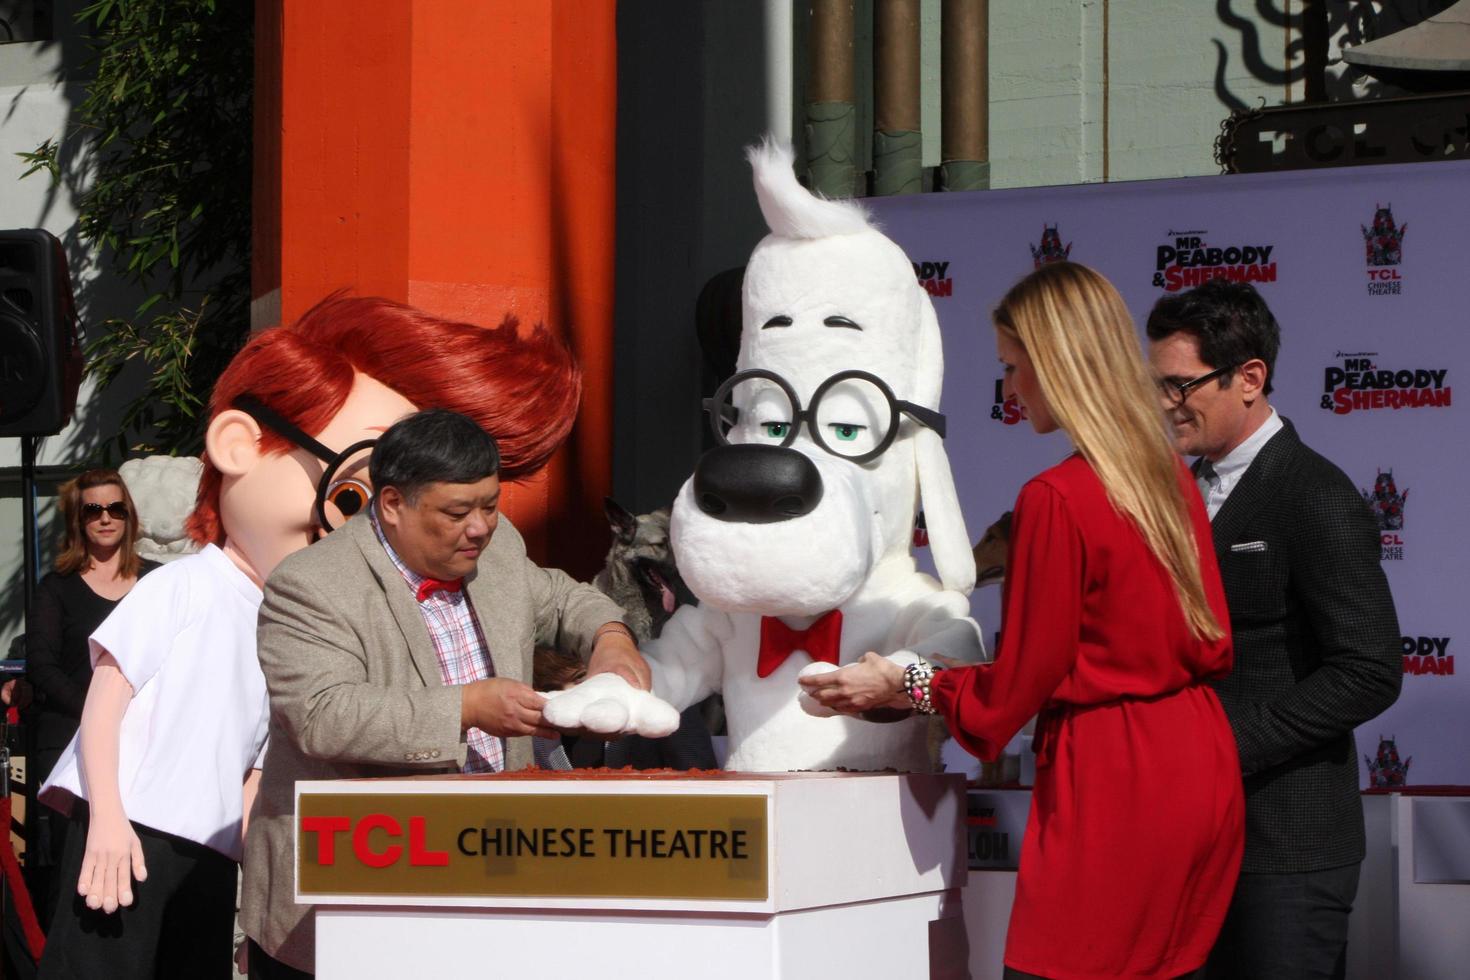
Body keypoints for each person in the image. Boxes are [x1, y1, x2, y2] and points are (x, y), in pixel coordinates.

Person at [36, 294, 589, 979]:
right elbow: (106, 698)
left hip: (210, 845)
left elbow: (263, 758)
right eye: (353, 496)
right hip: (133, 822)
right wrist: (108, 816)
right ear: (240, 443)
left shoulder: (303, 606)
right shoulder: (185, 584)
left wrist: (265, 902)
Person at [802, 261, 1244, 979]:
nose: (1009, 388)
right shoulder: (1168, 476)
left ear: (1056, 363)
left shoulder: (1057, 497)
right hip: (1199, 770)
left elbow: (1016, 690)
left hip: (1116, 781)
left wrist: (906, 685)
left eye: (1013, 367)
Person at [242, 409, 649, 979]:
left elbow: (556, 597)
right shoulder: (310, 585)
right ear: (391, 505)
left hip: (490, 872)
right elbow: (321, 715)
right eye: (457, 512)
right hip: (356, 884)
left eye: (490, 504)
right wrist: (468, 707)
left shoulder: (495, 543)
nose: (481, 527)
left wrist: (611, 638)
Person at [1145, 280, 1401, 980]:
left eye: (1179, 385)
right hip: (1188, 842)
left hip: (1287, 850)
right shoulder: (1176, 491)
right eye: (1156, 385)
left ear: (1250, 378)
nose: (1165, 404)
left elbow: (1369, 669)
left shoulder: (1316, 493)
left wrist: (1221, 745)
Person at [23, 470, 159, 925]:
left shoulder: (159, 584)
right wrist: (102, 714)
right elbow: (42, 667)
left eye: (116, 508)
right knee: (76, 863)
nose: (106, 518)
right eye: (93, 510)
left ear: (130, 516)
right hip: (69, 744)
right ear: (78, 520)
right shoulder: (55, 588)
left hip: (146, 746)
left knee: (145, 864)